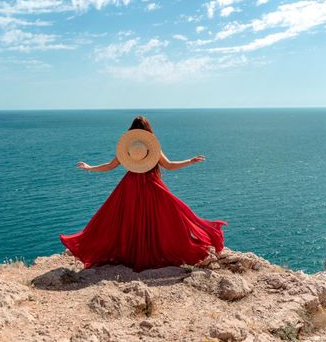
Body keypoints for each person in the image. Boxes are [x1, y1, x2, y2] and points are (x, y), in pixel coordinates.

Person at [59, 116, 226, 272]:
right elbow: (169, 165)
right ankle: (159, 249)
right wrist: (189, 161)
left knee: (125, 220)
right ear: (148, 131)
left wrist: (90, 167)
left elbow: (109, 166)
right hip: (151, 186)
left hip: (129, 186)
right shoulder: (151, 148)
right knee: (168, 217)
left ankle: (129, 253)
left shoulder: (129, 148)